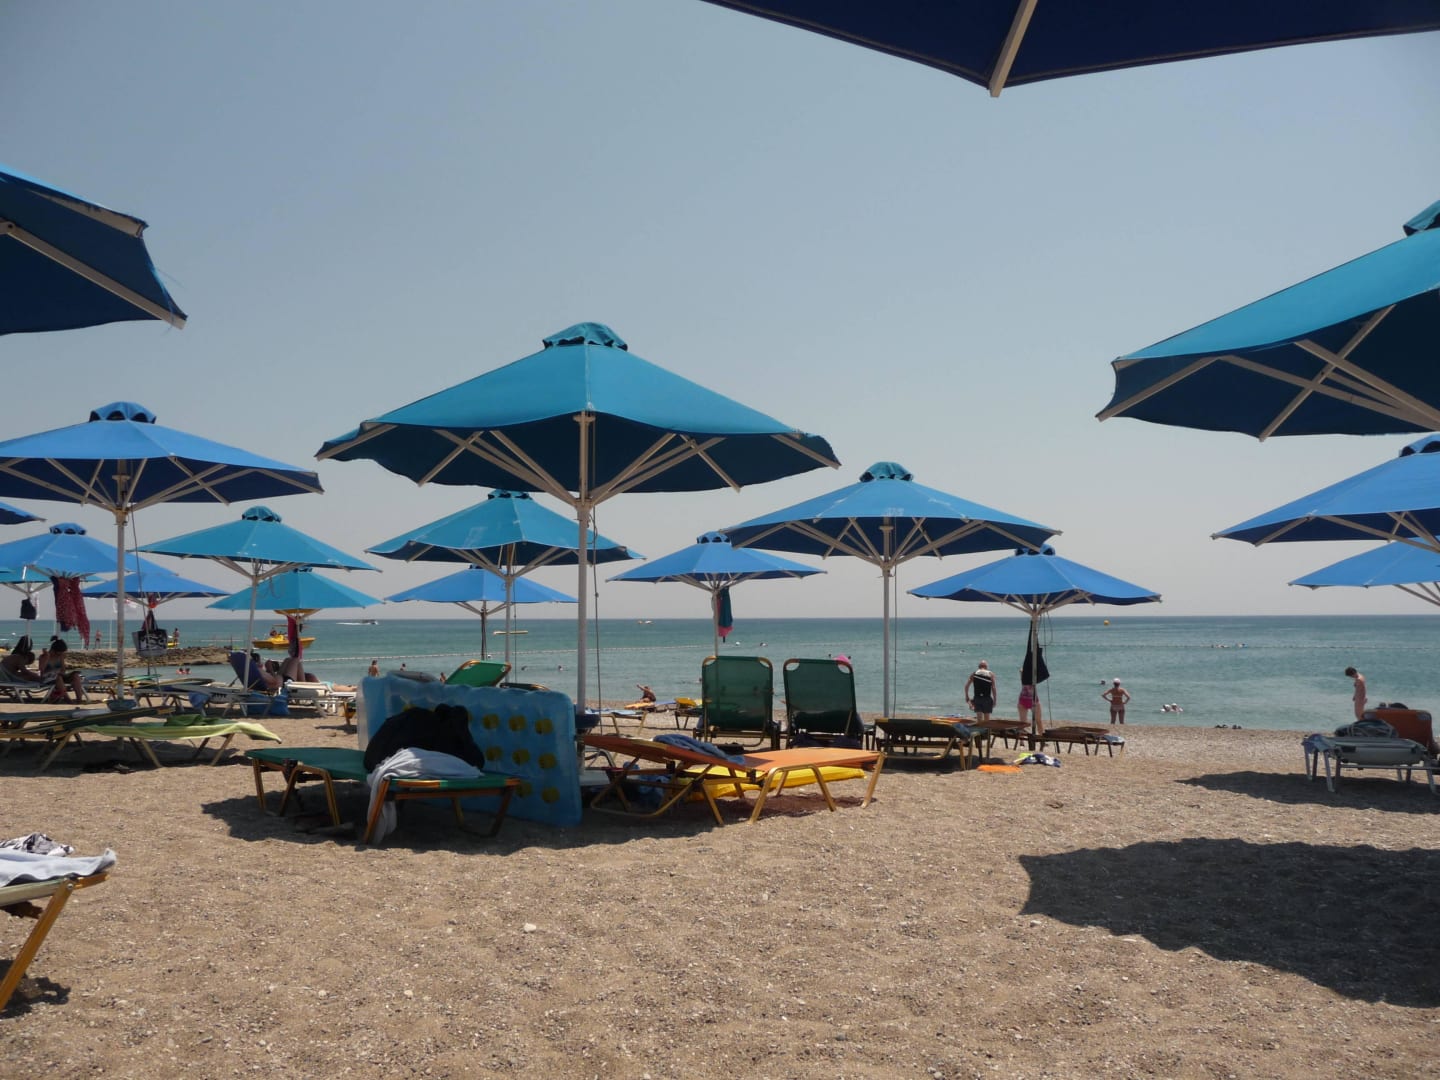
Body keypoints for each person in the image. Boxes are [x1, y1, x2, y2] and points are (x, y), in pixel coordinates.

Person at [39, 637, 87, 703]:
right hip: (47, 678)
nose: (60, 654)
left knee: (75, 675)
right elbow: (41, 670)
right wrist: (47, 657)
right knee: (58, 677)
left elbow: (63, 669)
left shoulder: (60, 656)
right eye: (58, 653)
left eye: (61, 653)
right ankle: (67, 699)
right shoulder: (44, 656)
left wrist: (62, 673)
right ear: (53, 650)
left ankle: (79, 700)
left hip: (59, 676)